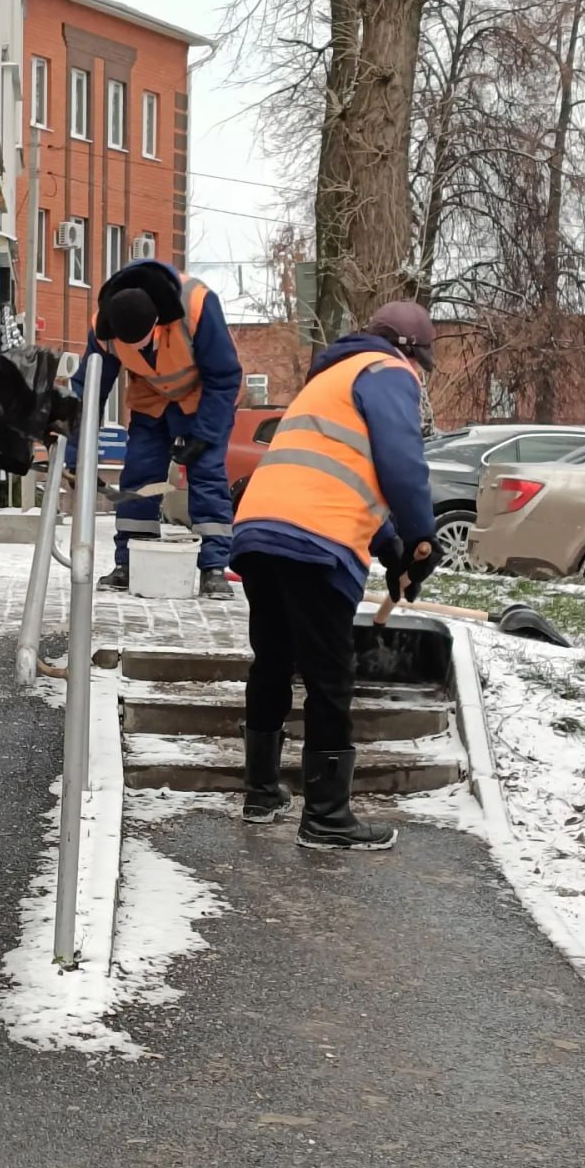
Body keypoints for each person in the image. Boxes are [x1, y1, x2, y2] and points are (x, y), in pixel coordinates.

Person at [230, 301, 444, 850]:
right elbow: (402, 463)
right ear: (411, 352)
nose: (419, 379)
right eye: (422, 365)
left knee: (274, 658)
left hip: (260, 529)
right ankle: (326, 817)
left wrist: (395, 550)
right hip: (313, 543)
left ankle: (261, 792)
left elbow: (337, 478)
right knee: (329, 674)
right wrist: (421, 540)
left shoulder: (327, 381)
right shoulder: (388, 371)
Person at [69, 260, 243, 599]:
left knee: (207, 474)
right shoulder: (103, 328)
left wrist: (204, 435)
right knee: (140, 475)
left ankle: (213, 568)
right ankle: (131, 562)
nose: (133, 350)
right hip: (151, 398)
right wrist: (75, 452)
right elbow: (87, 392)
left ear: (157, 323)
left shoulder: (197, 306)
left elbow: (224, 378)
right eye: (126, 344)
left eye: (141, 342)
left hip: (204, 397)